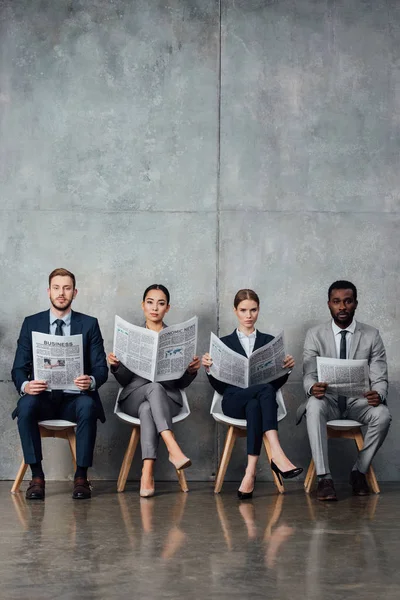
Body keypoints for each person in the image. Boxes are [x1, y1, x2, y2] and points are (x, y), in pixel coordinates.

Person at [11, 268, 108, 500]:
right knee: (25, 407)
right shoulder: (31, 323)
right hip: (42, 398)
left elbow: (101, 369)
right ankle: (36, 477)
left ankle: (81, 477)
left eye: (66, 288)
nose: (61, 293)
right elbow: (17, 368)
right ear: (48, 291)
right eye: (56, 288)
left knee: (87, 405)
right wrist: (26, 385)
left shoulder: (89, 324)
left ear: (74, 292)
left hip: (74, 400)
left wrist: (91, 381)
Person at [202, 289, 302, 499]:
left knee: (256, 404)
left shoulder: (268, 341)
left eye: (253, 310)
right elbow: (220, 388)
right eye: (243, 310)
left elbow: (275, 382)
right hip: (232, 401)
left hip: (257, 404)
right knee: (265, 391)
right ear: (235, 311)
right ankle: (276, 453)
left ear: (259, 310)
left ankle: (250, 472)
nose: (249, 315)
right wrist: (209, 369)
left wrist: (287, 370)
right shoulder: (224, 343)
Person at [298, 280, 391, 501]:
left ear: (355, 304)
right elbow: (308, 374)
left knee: (383, 415)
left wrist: (378, 393)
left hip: (357, 402)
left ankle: (359, 472)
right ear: (329, 304)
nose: (342, 307)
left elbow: (380, 376)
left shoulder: (371, 335)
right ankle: (324, 478)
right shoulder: (315, 334)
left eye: (347, 301)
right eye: (337, 302)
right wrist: (313, 387)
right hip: (327, 400)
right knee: (313, 405)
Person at [108, 284, 200, 498]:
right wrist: (116, 366)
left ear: (167, 308)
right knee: (152, 389)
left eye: (161, 303)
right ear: (143, 305)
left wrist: (190, 371)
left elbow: (182, 384)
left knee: (149, 406)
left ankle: (147, 472)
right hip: (133, 396)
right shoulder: (132, 335)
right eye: (150, 302)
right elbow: (125, 380)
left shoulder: (176, 338)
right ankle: (172, 448)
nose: (155, 308)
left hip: (167, 400)